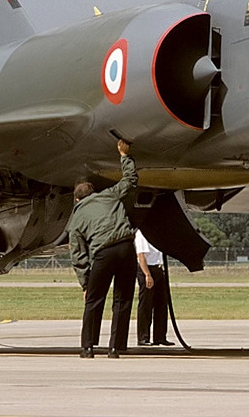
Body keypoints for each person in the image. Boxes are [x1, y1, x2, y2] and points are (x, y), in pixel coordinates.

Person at [68, 139, 138, 358]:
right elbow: (130, 180)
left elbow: (77, 254)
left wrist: (85, 284)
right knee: (123, 299)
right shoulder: (108, 195)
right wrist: (124, 156)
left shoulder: (77, 216)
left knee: (94, 301)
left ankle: (88, 347)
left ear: (77, 198)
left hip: (103, 253)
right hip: (126, 248)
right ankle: (115, 348)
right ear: (93, 192)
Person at [135, 229, 171, 346]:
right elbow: (141, 256)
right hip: (147, 268)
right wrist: (147, 275)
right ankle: (143, 337)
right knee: (146, 304)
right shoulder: (142, 233)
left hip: (158, 268)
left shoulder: (158, 233)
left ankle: (160, 336)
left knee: (161, 303)